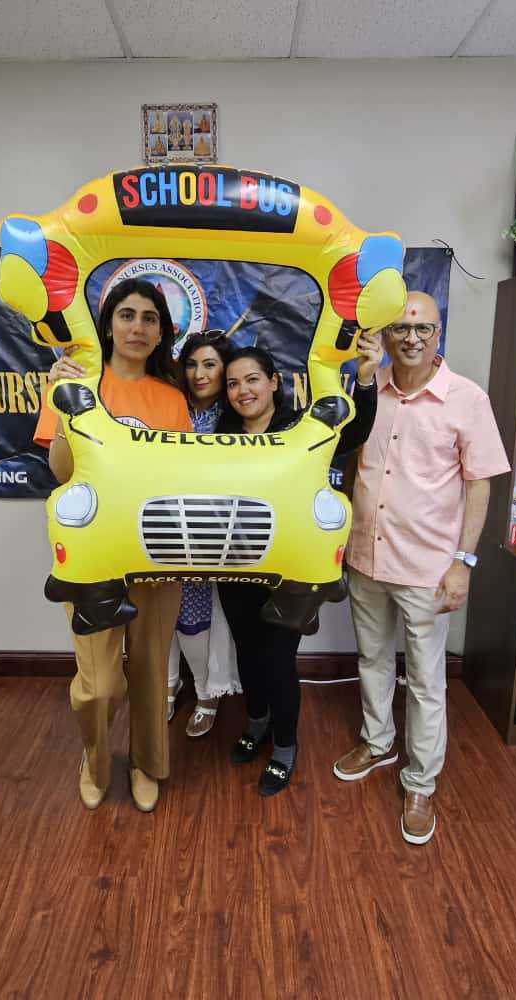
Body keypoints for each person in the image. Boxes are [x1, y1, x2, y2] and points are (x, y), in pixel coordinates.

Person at [333, 291, 510, 845]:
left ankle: (420, 783)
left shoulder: (467, 398)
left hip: (428, 569)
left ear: (438, 334)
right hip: (366, 555)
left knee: (427, 680)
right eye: (401, 328)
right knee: (372, 658)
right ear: (386, 335)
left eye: (423, 328)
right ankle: (378, 742)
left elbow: (479, 484)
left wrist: (463, 563)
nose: (411, 338)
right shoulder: (368, 389)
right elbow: (347, 457)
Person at [34, 278, 191, 814]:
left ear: (161, 333)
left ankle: (147, 764)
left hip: (157, 550)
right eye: (127, 315)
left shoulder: (172, 399)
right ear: (107, 326)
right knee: (99, 683)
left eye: (150, 318)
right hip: (92, 557)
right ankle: (96, 761)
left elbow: (178, 481)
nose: (138, 327)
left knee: (149, 668)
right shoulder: (74, 385)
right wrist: (64, 408)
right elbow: (61, 472)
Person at [217, 337, 382, 796]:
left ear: (274, 382)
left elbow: (354, 433)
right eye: (233, 383)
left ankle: (285, 747)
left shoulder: (302, 425)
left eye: (252, 379)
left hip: (290, 571)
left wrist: (364, 379)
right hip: (235, 565)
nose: (243, 391)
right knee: (247, 652)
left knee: (277, 660)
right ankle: (257, 722)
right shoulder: (221, 434)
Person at [166, 332, 242, 737]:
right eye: (192, 364)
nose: (199, 373)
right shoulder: (168, 405)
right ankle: (166, 686)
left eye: (209, 364)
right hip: (161, 525)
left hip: (212, 533)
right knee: (157, 610)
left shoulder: (235, 415)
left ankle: (206, 692)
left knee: (194, 614)